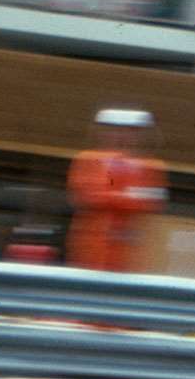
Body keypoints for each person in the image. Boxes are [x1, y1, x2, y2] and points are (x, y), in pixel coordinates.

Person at [65, 106, 167, 272]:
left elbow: (153, 201)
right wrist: (129, 196)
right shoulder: (88, 160)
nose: (122, 136)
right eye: (115, 130)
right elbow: (85, 196)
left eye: (131, 131)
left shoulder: (151, 167)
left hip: (129, 249)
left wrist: (110, 196)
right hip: (90, 246)